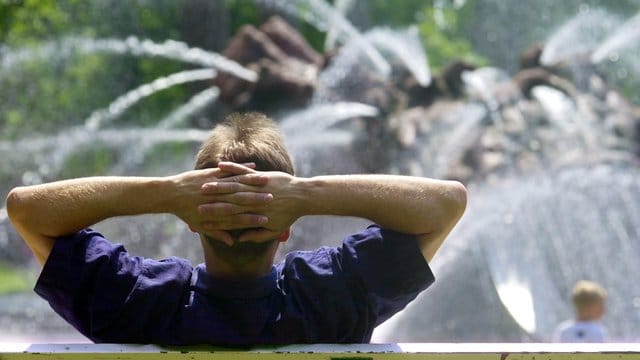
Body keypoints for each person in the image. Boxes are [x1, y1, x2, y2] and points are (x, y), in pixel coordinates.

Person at [6, 112, 467, 345]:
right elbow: (448, 202)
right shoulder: (331, 295)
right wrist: (305, 195)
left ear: (194, 223)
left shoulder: (139, 300)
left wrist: (166, 193)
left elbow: (24, 208)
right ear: (286, 229)